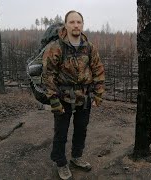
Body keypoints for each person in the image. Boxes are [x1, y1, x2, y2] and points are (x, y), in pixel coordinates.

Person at [42, 10, 105, 180]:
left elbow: (98, 69)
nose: (76, 25)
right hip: (63, 97)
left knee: (81, 130)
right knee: (61, 132)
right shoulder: (57, 47)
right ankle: (61, 163)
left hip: (84, 98)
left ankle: (77, 157)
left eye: (79, 22)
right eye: (72, 22)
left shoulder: (89, 47)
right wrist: (54, 100)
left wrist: (98, 93)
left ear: (82, 25)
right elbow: (48, 75)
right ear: (66, 25)